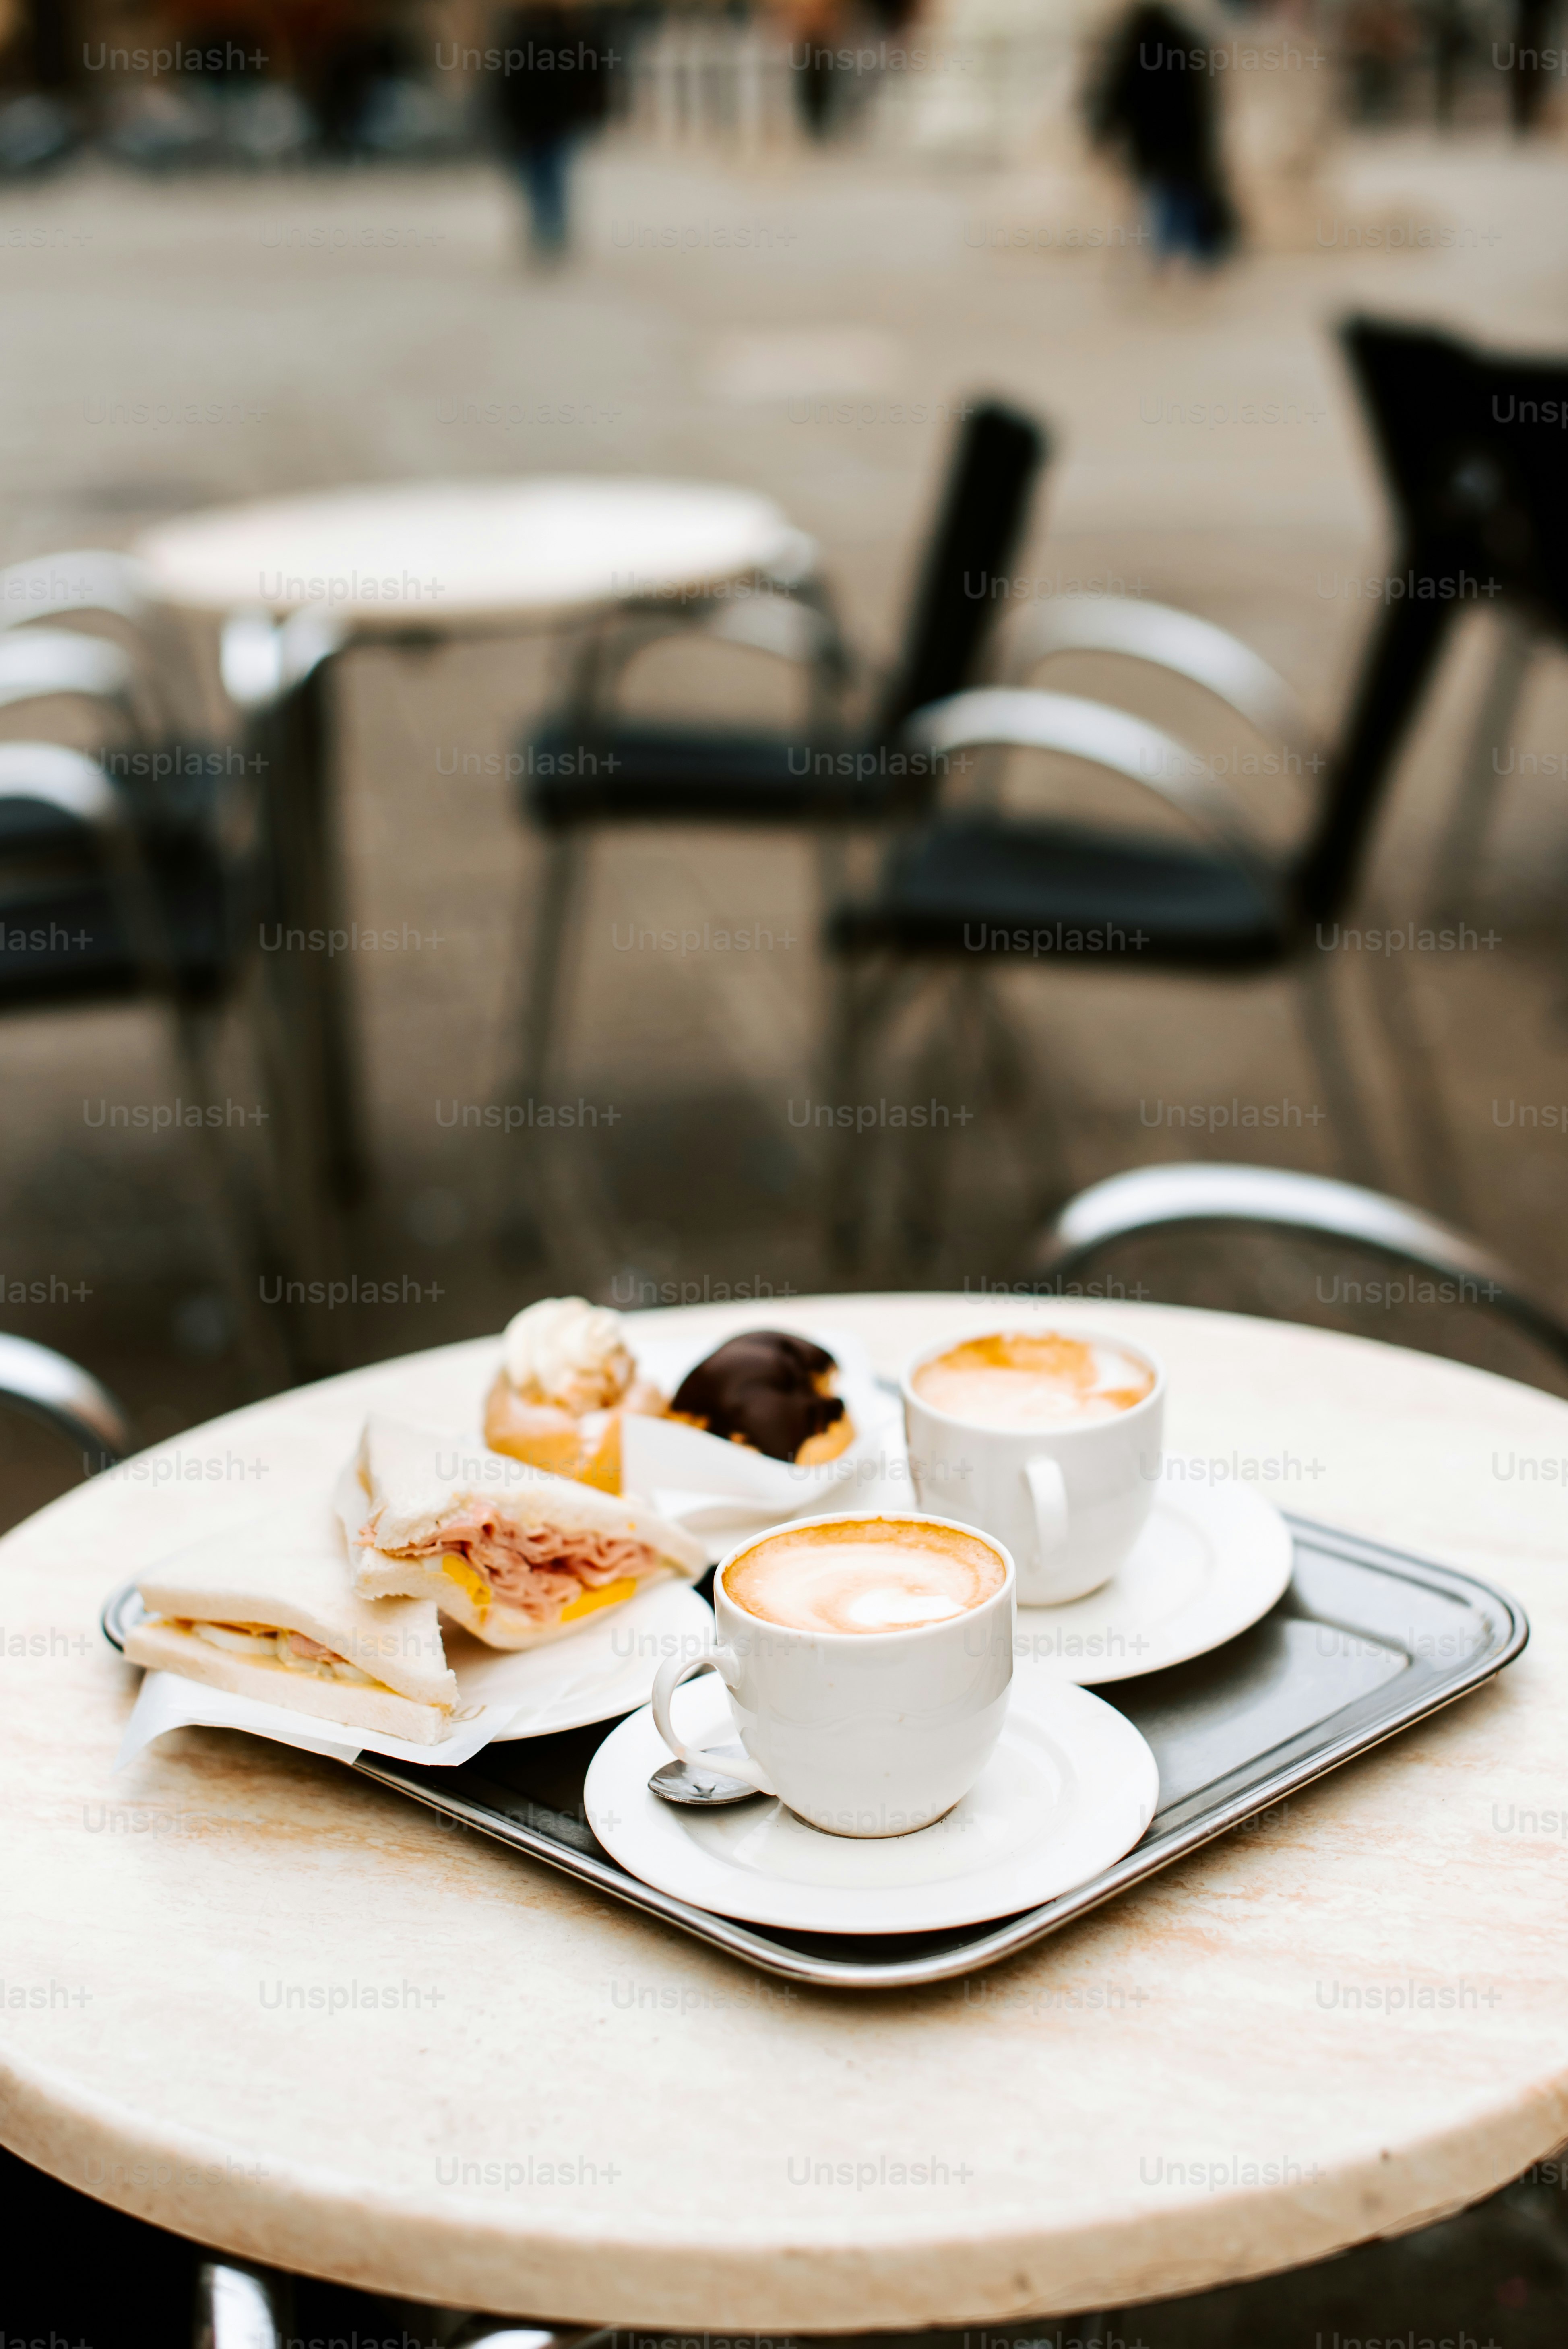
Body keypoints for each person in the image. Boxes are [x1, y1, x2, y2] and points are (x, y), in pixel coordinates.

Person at [1086, 2, 1238, 269]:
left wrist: (1102, 133)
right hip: (1182, 145)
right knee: (1179, 198)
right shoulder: (1183, 48)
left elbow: (1116, 98)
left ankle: (1167, 258)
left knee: (1165, 200)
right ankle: (1180, 257)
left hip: (1153, 147)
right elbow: (1203, 101)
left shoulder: (1134, 53)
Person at [490, 3, 614, 260]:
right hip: (542, 123)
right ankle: (549, 233)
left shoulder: (547, 44)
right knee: (546, 178)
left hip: (544, 123)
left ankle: (550, 233)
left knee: (546, 178)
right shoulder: (557, 43)